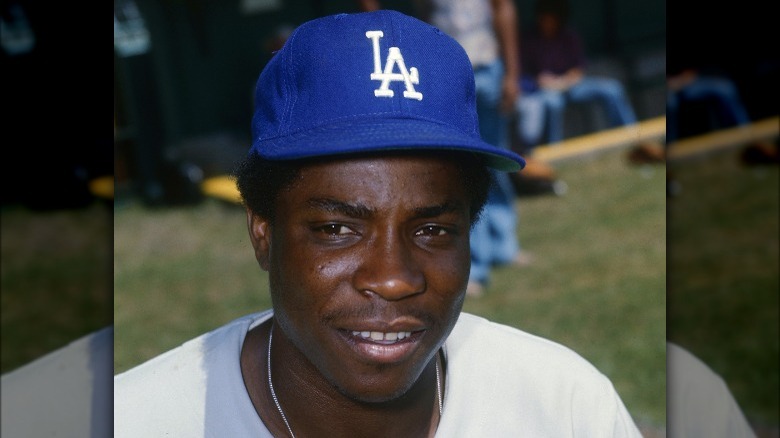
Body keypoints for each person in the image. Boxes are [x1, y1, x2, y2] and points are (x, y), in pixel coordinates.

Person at [113, 10, 643, 437]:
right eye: (336, 229)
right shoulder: (137, 420)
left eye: (432, 229)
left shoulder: (565, 406)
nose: (393, 278)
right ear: (263, 231)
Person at [359, 0, 532, 297]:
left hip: (488, 66)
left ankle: (504, 246)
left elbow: (504, 9)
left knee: (495, 162)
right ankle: (474, 266)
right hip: (443, 76)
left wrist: (512, 74)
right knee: (462, 171)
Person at [515, 0, 641, 151]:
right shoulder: (529, 39)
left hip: (572, 86)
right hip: (544, 90)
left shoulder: (568, 35)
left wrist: (566, 80)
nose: (547, 24)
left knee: (613, 89)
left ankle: (632, 139)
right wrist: (541, 80)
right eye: (544, 19)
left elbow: (579, 69)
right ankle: (554, 150)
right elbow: (523, 74)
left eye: (551, 20)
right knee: (552, 103)